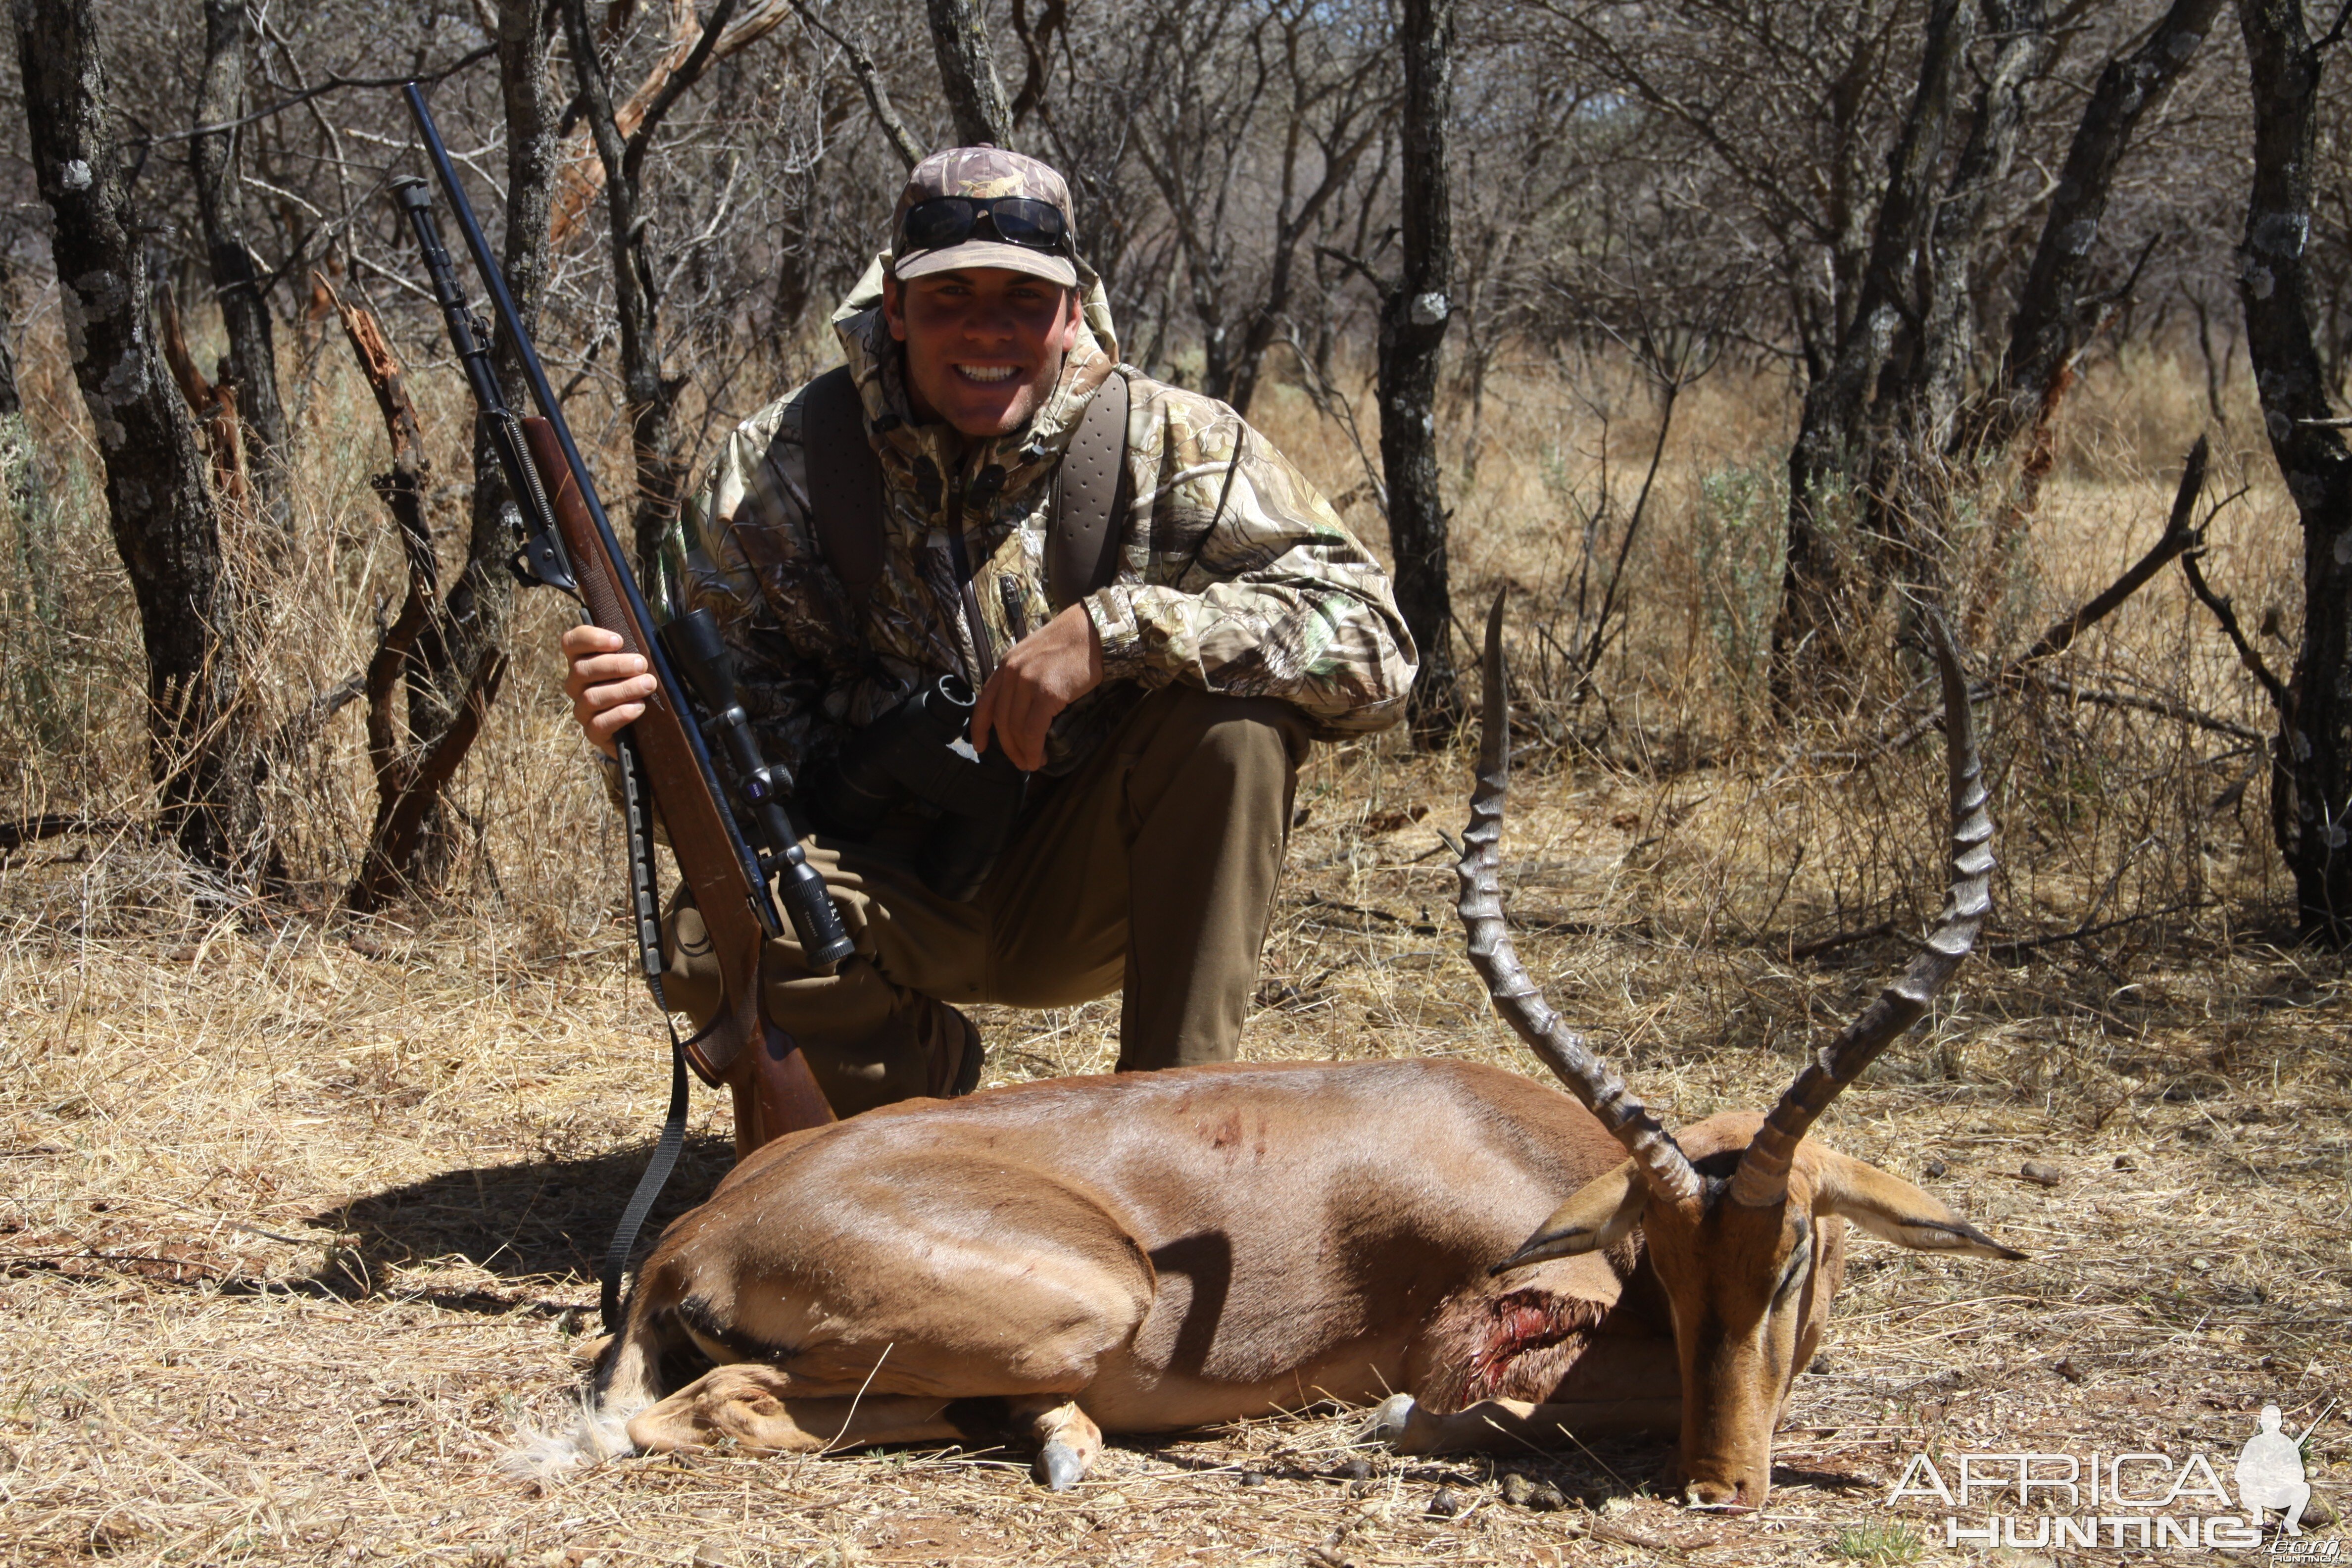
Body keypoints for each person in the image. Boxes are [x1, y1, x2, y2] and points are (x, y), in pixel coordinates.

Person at [562, 147, 1415, 1117]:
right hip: (878, 886)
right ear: (894, 305)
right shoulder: (777, 466)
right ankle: (918, 1089)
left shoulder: (1176, 444)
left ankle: (1171, 1135)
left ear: (1072, 310)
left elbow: (1380, 650)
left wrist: (1119, 629)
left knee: (1235, 735)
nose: (986, 330)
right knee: (710, 936)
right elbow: (716, 781)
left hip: (1094, 894)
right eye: (949, 296)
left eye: (1022, 298)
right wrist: (634, 734)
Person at [2235, 1405, 2311, 1535]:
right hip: (2258, 1491)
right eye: (2268, 1421)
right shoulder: (2254, 1443)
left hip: (2280, 1492)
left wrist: (2284, 1476)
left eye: (2275, 1421)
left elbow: (2300, 1474)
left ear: (2280, 1423)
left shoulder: (2287, 1443)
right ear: (2263, 1423)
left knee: (2305, 1488)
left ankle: (2291, 1522)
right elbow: (2240, 1473)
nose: (2271, 1425)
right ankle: (2258, 1515)